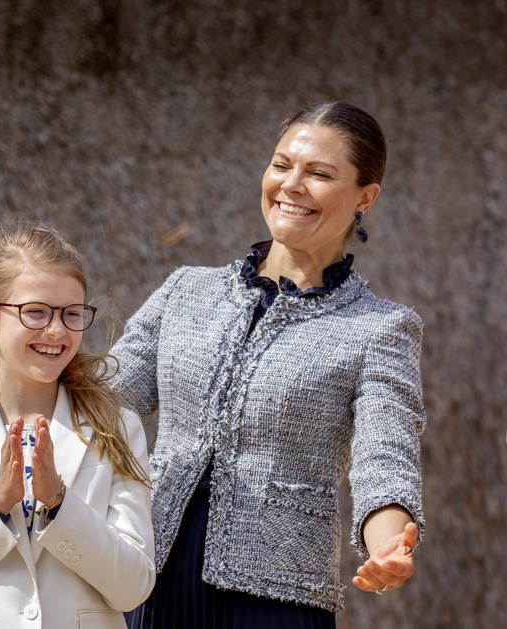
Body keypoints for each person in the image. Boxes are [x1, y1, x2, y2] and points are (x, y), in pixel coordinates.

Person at [115, 102, 425, 628]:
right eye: (282, 165)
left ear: (365, 198)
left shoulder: (382, 328)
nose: (292, 184)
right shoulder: (186, 289)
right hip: (148, 574)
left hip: (277, 598)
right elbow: (103, 395)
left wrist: (388, 544)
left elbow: (385, 459)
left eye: (320, 174)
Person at [0, 223, 156, 628]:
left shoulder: (117, 427)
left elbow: (133, 587)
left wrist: (60, 504)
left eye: (72, 314)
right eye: (35, 311)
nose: (56, 330)